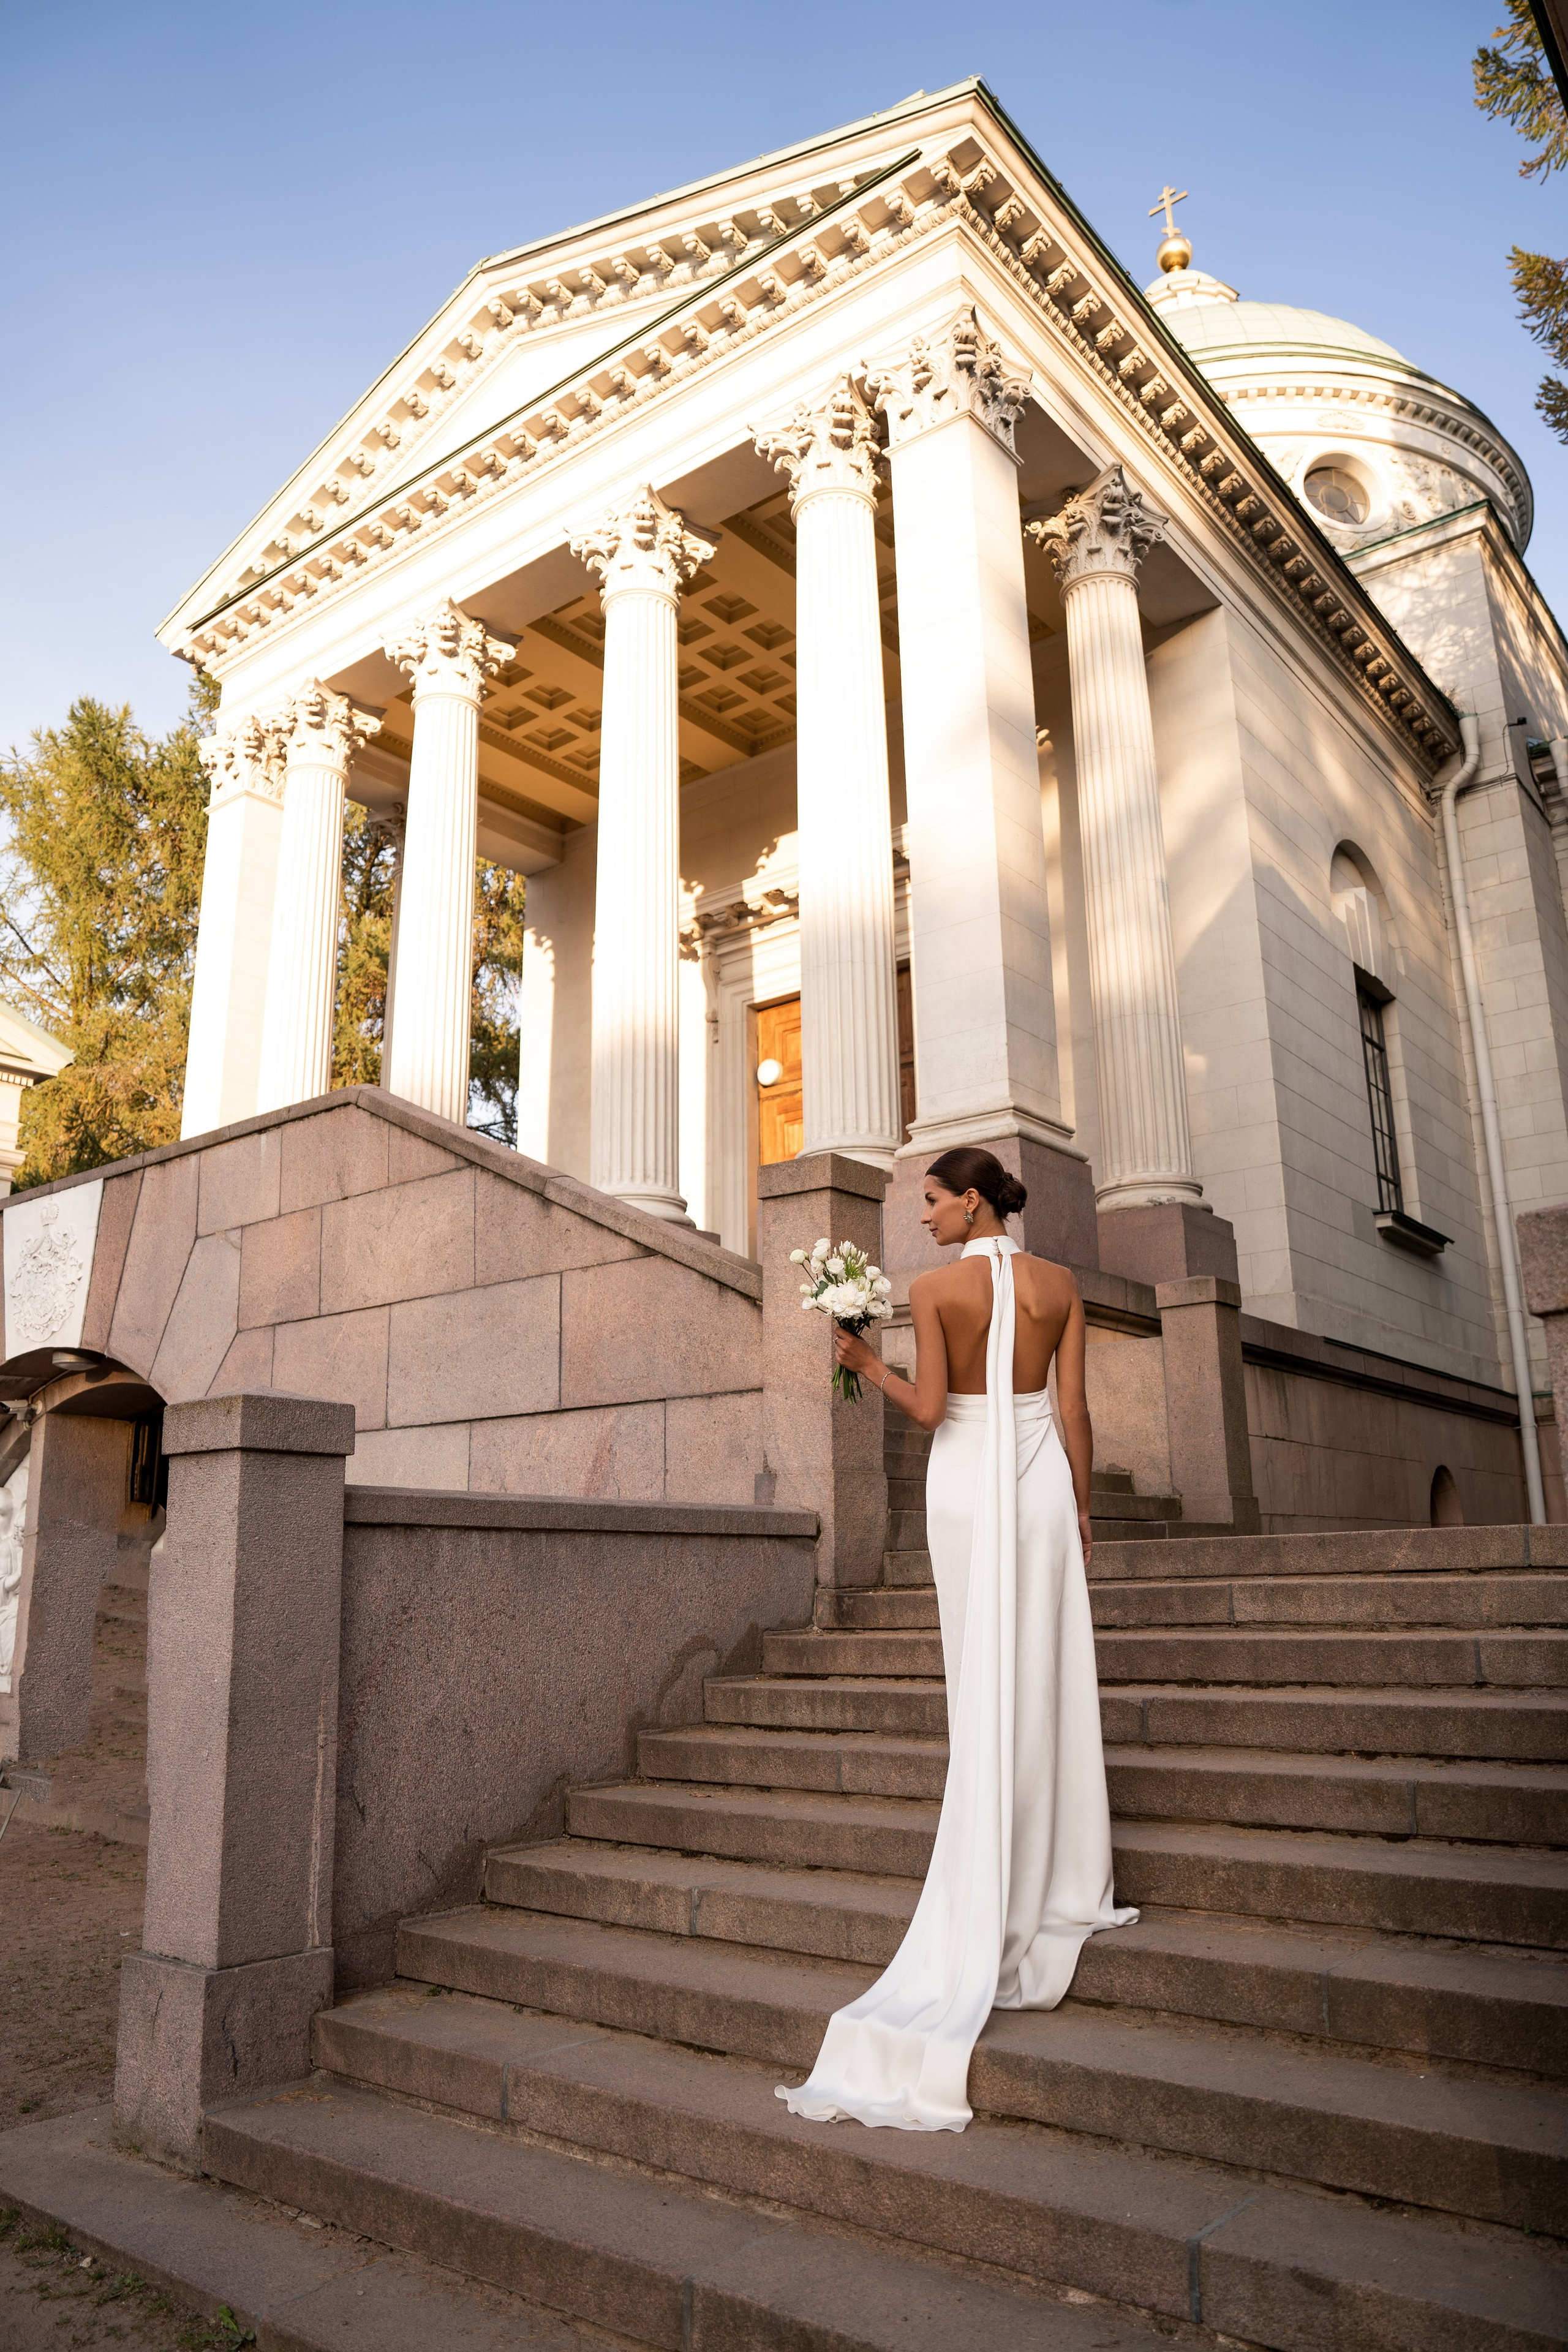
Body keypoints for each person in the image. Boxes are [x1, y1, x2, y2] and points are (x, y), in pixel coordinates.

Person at [777, 1146, 1136, 2134]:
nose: (922, 1218)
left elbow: (933, 1411)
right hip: (1040, 1486)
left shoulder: (937, 1291)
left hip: (969, 1482)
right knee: (1048, 1673)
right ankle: (1060, 1869)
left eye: (930, 1201)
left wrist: (862, 1364)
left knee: (986, 1678)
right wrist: (1082, 1501)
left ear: (970, 1199)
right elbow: (1073, 1405)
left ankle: (993, 1861)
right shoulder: (1060, 1284)